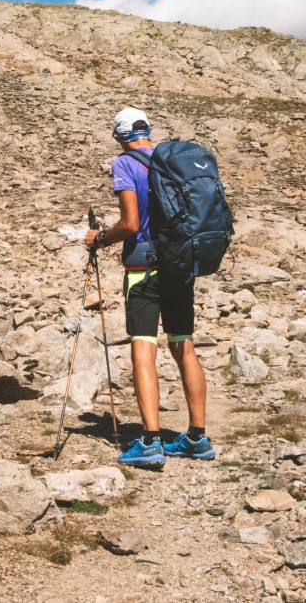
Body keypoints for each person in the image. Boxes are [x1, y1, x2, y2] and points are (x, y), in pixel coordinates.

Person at [84, 107, 216, 467]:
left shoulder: (126, 164)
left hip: (144, 268)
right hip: (180, 266)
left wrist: (100, 239)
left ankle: (150, 441)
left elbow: (129, 223)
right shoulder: (172, 162)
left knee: (143, 348)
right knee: (183, 346)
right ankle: (197, 438)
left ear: (119, 136)